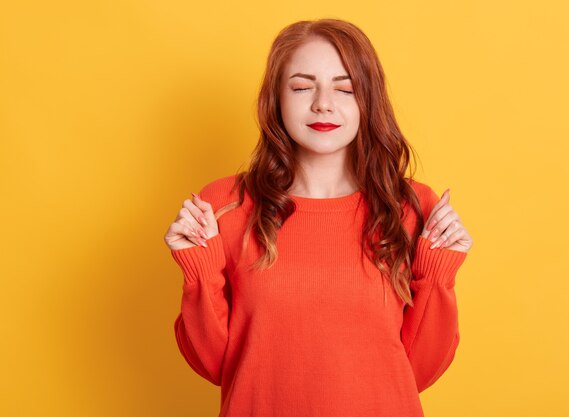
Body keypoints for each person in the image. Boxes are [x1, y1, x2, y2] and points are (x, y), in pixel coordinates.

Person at [163, 18, 473, 417]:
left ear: (368, 101)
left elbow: (419, 371)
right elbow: (214, 365)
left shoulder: (412, 208)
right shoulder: (224, 204)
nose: (323, 103)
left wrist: (438, 273)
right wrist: (198, 271)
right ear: (275, 98)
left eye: (345, 88)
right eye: (301, 86)